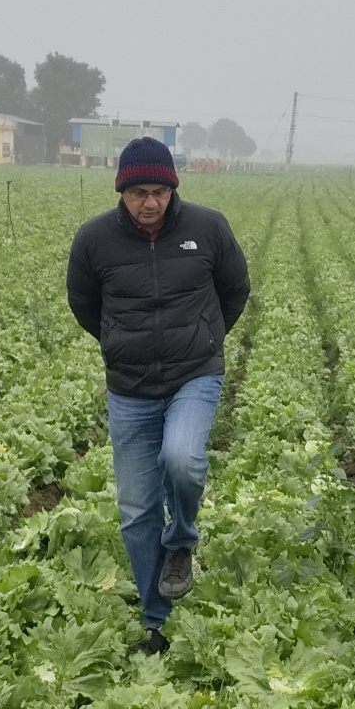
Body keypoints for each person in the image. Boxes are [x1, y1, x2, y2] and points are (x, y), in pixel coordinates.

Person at [66, 138, 250, 655]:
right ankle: (156, 621)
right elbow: (84, 304)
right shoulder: (94, 240)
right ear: (121, 191)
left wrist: (206, 339)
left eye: (160, 192)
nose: (150, 203)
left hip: (194, 375)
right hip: (130, 386)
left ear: (173, 189)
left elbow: (235, 290)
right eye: (139, 193)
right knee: (136, 509)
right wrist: (118, 344)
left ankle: (182, 540)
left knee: (182, 458)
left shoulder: (208, 228)